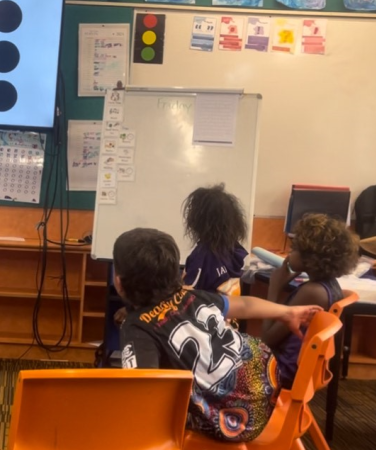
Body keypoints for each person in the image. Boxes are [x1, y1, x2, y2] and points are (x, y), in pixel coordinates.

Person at [114, 228, 321, 442]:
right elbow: (244, 305)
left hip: (235, 422)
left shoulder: (137, 327)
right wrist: (287, 313)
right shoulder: (192, 296)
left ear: (119, 283)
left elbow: (142, 391)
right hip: (269, 384)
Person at [114, 184, 249, 324]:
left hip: (204, 327)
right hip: (229, 324)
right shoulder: (233, 250)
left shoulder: (202, 257)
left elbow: (181, 295)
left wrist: (131, 309)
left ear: (199, 220)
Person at [263, 214, 359, 389]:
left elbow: (268, 339)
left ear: (310, 257)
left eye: (294, 248)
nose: (290, 253)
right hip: (296, 367)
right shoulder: (327, 286)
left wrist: (274, 288)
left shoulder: (313, 292)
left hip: (282, 370)